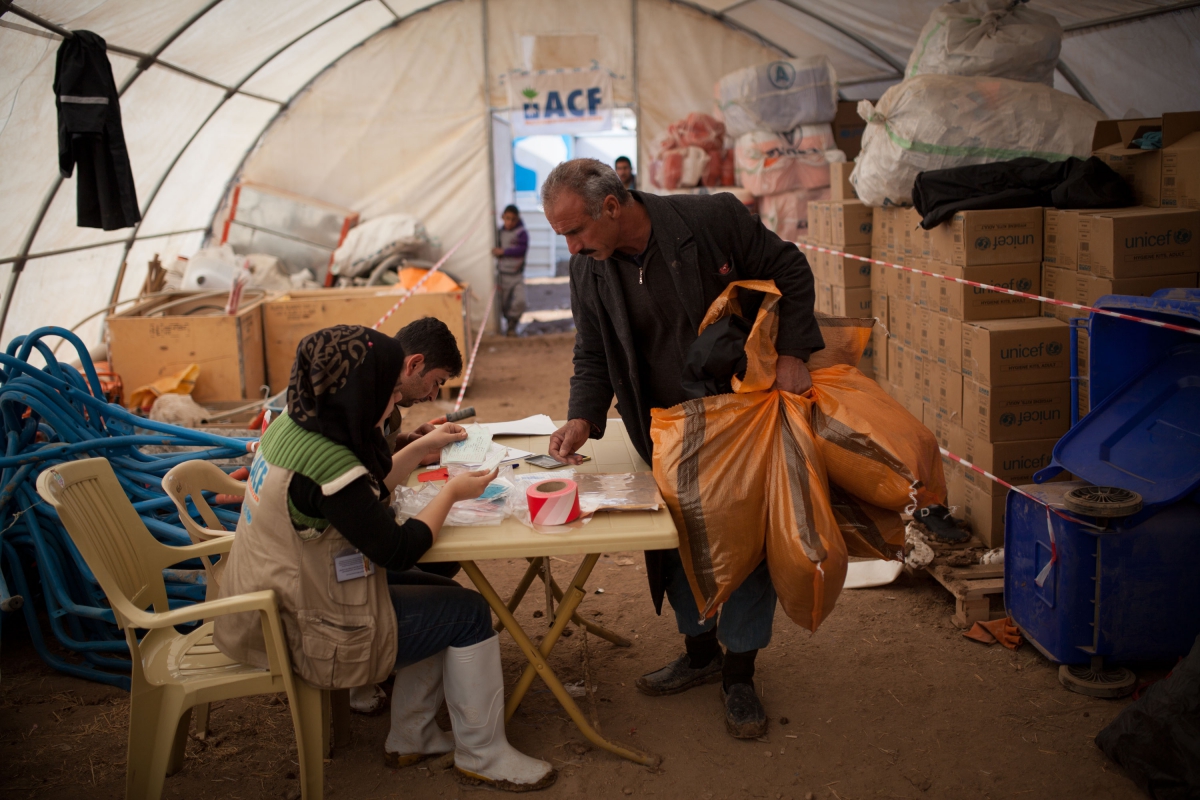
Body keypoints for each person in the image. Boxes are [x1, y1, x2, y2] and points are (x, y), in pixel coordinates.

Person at [542, 159, 823, 740]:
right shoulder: (590, 270)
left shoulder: (711, 218)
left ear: (613, 206)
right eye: (563, 235)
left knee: (744, 544)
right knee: (672, 541)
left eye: (575, 231)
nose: (571, 247)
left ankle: (739, 674)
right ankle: (700, 654)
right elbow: (592, 350)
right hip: (660, 429)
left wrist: (794, 350)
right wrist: (582, 416)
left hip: (735, 417)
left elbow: (790, 269)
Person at [213, 323, 556, 792]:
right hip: (303, 622)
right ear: (358, 388)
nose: (394, 402)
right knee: (468, 614)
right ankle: (483, 754)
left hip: (275, 596)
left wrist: (418, 448)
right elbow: (397, 550)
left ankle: (412, 734)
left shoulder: (294, 425)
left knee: (442, 594)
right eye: (387, 390)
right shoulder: (326, 463)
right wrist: (454, 491)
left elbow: (365, 494)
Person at [492, 204, 529, 336]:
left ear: (517, 219)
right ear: (503, 217)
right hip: (503, 275)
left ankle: (513, 323)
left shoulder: (521, 233)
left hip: (517, 274)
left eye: (513, 219)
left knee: (521, 301)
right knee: (503, 304)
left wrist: (504, 251)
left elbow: (522, 249)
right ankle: (509, 327)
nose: (510, 222)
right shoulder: (498, 233)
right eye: (507, 218)